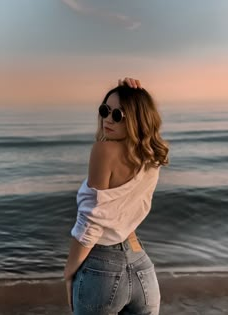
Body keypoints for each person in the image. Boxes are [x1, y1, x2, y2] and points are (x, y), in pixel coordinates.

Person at [64, 77, 169, 315]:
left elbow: (91, 220)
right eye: (105, 110)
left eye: (118, 115)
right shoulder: (150, 154)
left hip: (102, 270)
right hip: (142, 268)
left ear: (134, 118)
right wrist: (136, 99)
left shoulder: (104, 150)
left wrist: (69, 271)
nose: (107, 119)